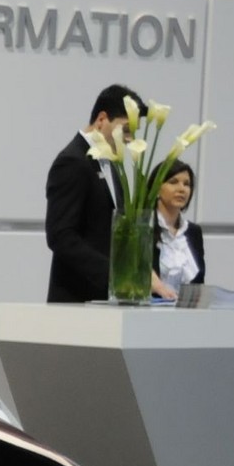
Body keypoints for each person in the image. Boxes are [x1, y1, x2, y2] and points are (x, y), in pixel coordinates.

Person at [45, 84, 140, 303]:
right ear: (101, 119)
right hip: (77, 300)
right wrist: (113, 275)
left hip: (106, 302)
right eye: (125, 130)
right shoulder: (72, 162)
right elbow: (60, 236)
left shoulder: (112, 164)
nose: (129, 140)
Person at [150, 158, 205, 301]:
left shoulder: (193, 232)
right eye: (173, 182)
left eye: (187, 184)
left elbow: (199, 284)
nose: (182, 189)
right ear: (156, 188)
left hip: (185, 315)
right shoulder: (143, 227)